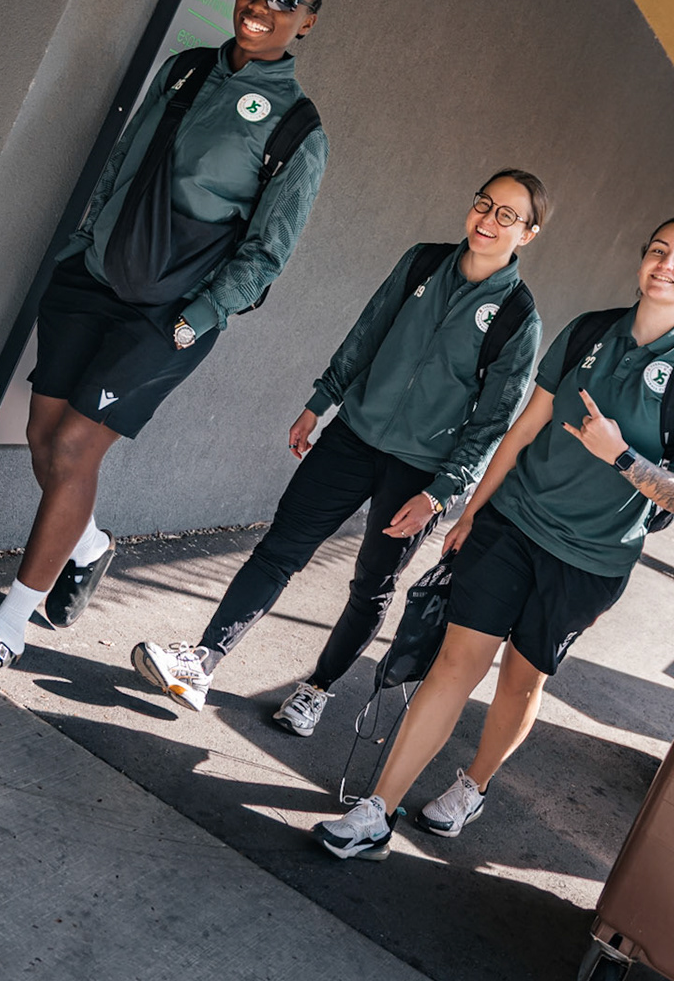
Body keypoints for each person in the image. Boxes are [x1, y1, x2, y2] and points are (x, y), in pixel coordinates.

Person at [0, 0, 330, 676]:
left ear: (305, 21)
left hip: (168, 314)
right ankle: (87, 546)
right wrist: (81, 243)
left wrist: (198, 317)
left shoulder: (297, 129)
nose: (260, 4)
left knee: (76, 450)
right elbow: (122, 160)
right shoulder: (184, 68)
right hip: (92, 278)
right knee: (43, 437)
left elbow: (269, 252)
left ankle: (8, 630)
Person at [312, 217, 674, 860]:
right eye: (657, 250)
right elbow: (524, 427)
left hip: (588, 559)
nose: (665, 265)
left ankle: (474, 784)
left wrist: (622, 458)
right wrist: (473, 512)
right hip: (512, 522)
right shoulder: (590, 331)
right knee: (456, 662)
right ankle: (376, 811)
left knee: (519, 682)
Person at [128, 171, 549, 725]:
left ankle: (317, 690)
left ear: (528, 233)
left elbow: (493, 420)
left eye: (506, 216)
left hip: (420, 473)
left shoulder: (519, 318)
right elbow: (368, 332)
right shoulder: (422, 262)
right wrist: (321, 399)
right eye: (483, 205)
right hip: (352, 436)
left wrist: (442, 493)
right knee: (280, 550)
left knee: (372, 585)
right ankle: (203, 661)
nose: (488, 220)